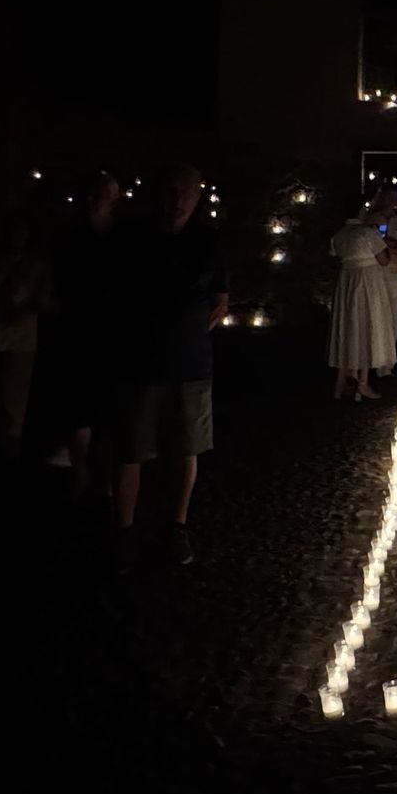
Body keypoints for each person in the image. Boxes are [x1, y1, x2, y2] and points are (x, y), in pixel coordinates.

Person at [113, 164, 228, 572]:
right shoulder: (133, 238)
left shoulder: (209, 242)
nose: (177, 201)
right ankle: (124, 531)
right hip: (139, 362)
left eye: (186, 193)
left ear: (198, 197)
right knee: (131, 449)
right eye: (171, 192)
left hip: (189, 361)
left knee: (186, 447)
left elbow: (220, 297)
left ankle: (176, 527)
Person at [40, 170, 120, 500]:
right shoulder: (71, 239)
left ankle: (102, 476)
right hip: (76, 334)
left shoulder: (120, 241)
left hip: (108, 336)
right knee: (77, 409)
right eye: (89, 195)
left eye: (98, 196)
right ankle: (83, 472)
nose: (91, 202)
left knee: (106, 410)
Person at [0, 210, 50, 458]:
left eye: (22, 231)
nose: (18, 236)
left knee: (14, 397)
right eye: (13, 230)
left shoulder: (37, 265)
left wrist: (25, 308)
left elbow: (44, 300)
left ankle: (9, 452)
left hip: (22, 339)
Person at [328, 195, 396, 400]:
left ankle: (341, 381)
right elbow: (384, 259)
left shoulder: (339, 235)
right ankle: (363, 382)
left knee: (348, 328)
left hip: (347, 284)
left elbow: (335, 254)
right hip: (367, 284)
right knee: (366, 326)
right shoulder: (367, 233)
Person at [369, 186, 397, 379]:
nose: (391, 202)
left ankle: (386, 366)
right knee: (371, 316)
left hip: (391, 274)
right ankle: (367, 362)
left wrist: (389, 244)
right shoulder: (369, 220)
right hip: (371, 273)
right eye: (389, 198)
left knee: (392, 318)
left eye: (395, 198)